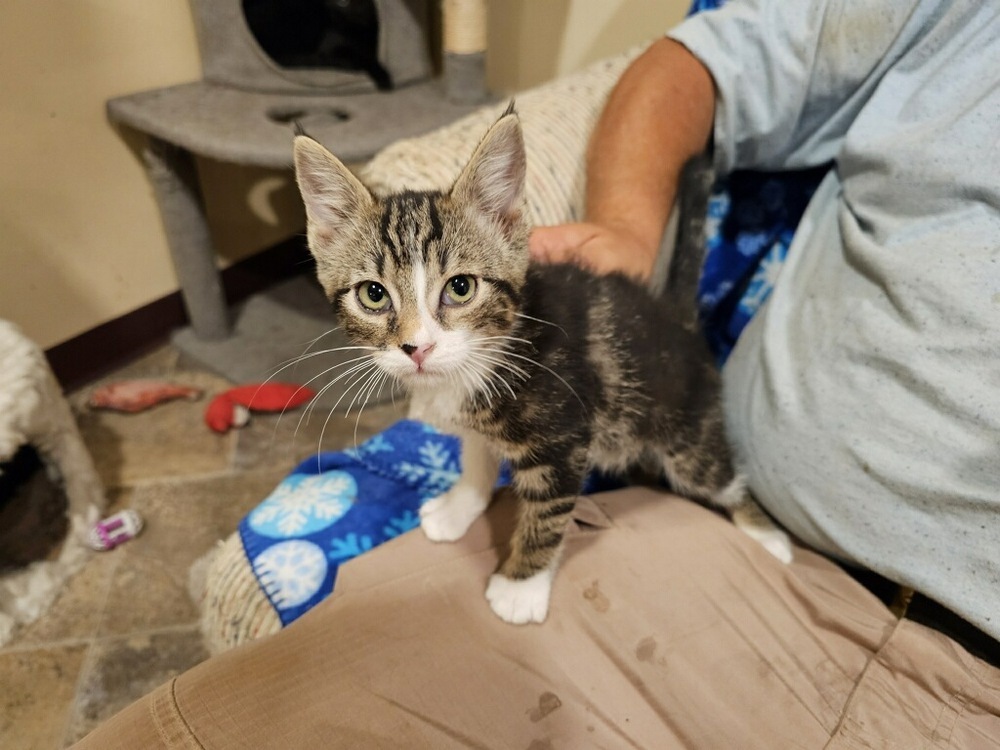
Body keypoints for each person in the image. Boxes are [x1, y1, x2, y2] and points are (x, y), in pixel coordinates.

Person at [73, 0, 1000, 747]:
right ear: (326, 247)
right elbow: (703, 64)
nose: (415, 340)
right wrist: (628, 233)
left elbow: (553, 456)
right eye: (374, 301)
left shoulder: (531, 353)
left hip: (703, 461)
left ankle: (739, 503)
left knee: (665, 449)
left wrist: (527, 563)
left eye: (459, 291)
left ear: (506, 229)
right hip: (773, 576)